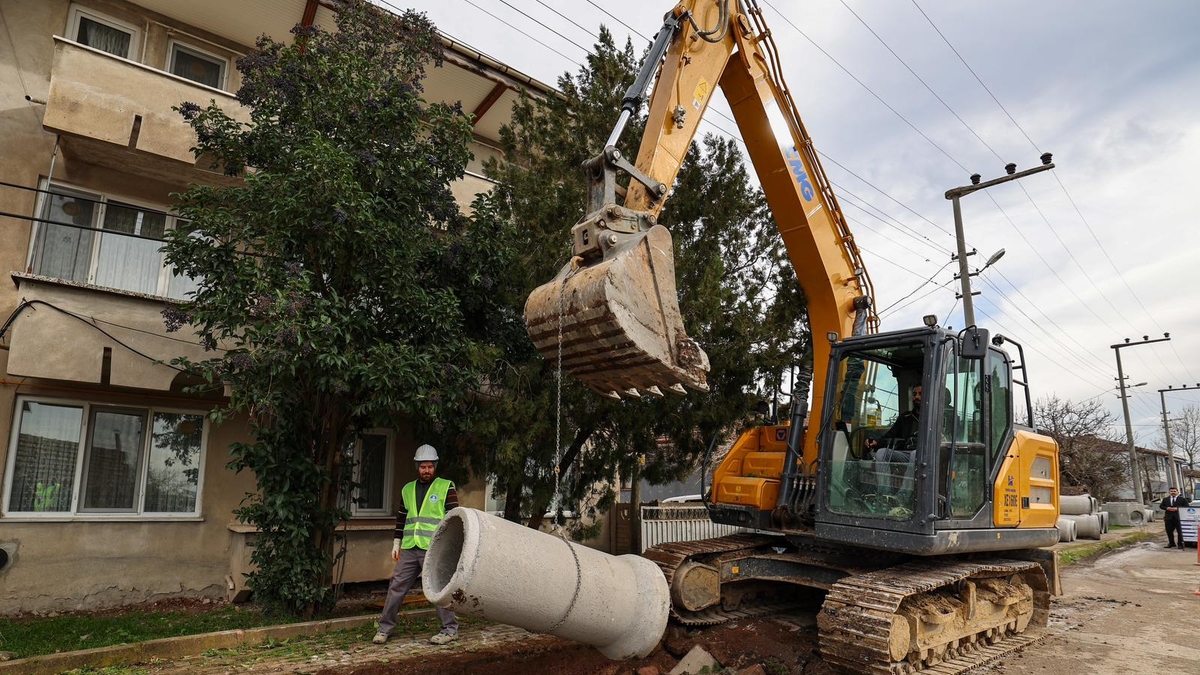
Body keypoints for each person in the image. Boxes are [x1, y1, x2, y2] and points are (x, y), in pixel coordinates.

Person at [373, 444, 459, 645]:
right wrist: (397, 542)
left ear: (435, 466)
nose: (426, 470)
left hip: (435, 549)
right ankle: (385, 629)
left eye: (430, 466)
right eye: (423, 467)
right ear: (417, 467)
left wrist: (451, 547)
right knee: (396, 587)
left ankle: (450, 629)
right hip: (410, 549)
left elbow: (454, 518)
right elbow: (401, 519)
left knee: (437, 589)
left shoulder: (446, 487)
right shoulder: (407, 489)